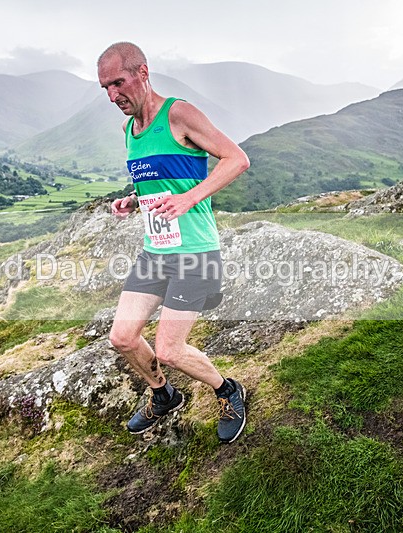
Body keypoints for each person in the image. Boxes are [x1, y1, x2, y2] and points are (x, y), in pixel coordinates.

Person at [97, 42, 251, 443]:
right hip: (155, 251)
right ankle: (163, 394)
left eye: (118, 83)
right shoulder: (130, 129)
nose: (113, 96)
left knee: (169, 349)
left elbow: (236, 158)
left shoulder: (178, 114)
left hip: (194, 254)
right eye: (105, 89)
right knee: (123, 338)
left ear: (143, 73)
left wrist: (190, 197)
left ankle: (228, 391)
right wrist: (134, 200)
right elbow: (154, 177)